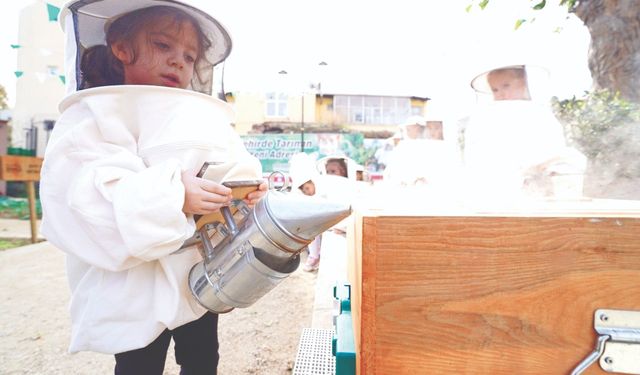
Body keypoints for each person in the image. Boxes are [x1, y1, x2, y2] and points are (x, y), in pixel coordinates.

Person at [40, 1, 267, 374]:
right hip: (135, 283)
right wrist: (174, 194)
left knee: (203, 359)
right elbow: (85, 191)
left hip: (195, 272)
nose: (179, 61)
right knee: (139, 364)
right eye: (163, 45)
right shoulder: (95, 114)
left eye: (190, 56)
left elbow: (231, 164)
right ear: (122, 48)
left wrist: (246, 193)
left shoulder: (199, 115)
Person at [464, 64, 586, 199]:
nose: (501, 94)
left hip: (539, 188)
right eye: (495, 90)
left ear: (523, 83)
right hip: (501, 190)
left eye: (506, 86)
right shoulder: (489, 118)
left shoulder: (539, 114)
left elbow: (554, 149)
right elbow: (484, 158)